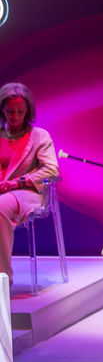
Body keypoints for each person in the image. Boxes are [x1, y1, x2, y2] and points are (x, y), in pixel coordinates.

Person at [0, 82, 58, 284]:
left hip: (28, 193)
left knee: (0, 207)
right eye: (10, 111)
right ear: (2, 110)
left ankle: (3, 280)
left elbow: (51, 170)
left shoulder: (39, 136)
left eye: (20, 112)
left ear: (28, 111)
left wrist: (17, 182)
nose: (15, 117)